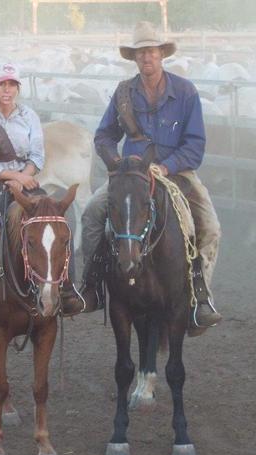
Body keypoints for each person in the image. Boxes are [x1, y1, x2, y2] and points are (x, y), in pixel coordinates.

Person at [79, 21, 222, 329]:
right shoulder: (123, 94)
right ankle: (91, 287)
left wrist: (166, 166)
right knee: (91, 213)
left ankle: (200, 297)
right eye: (141, 52)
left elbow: (195, 143)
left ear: (162, 54)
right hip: (132, 175)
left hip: (178, 173)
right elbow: (103, 136)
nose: (147, 57)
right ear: (134, 57)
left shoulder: (185, 92)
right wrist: (118, 164)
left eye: (152, 51)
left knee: (210, 227)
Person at [0, 63, 84, 320]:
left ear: (18, 88)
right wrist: (13, 176)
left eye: (11, 84)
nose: (7, 89)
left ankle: (68, 291)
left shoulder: (29, 116)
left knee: (59, 224)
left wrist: (25, 177)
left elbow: (37, 154)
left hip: (28, 183)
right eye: (2, 84)